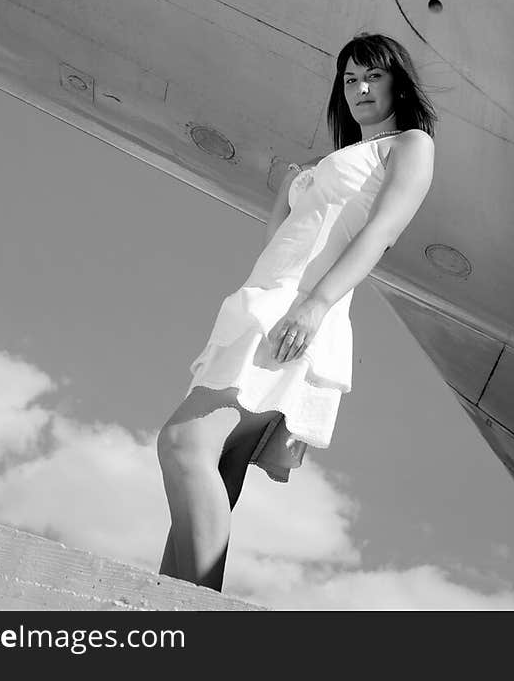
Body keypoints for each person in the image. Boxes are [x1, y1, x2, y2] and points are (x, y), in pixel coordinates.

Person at [156, 32, 436, 592]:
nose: (359, 87)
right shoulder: (331, 159)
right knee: (218, 470)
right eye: (349, 78)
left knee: (183, 444)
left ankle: (201, 610)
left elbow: (380, 234)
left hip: (297, 314)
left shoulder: (408, 146)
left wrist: (316, 306)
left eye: (372, 76)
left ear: (397, 82)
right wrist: (289, 190)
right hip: (263, 301)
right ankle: (165, 604)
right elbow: (281, 245)